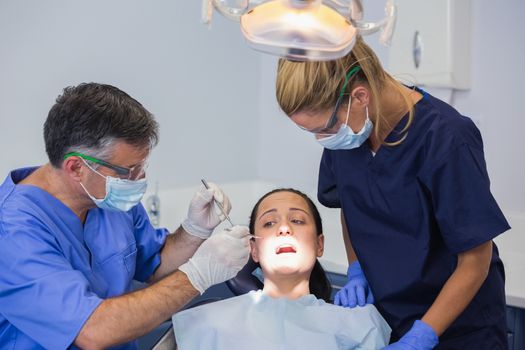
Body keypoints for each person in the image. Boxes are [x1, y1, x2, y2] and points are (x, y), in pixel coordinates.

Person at [275, 36, 510, 349]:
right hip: (387, 319)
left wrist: (423, 335)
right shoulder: (349, 132)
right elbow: (351, 202)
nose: (321, 140)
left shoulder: (446, 138)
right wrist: (357, 269)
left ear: (359, 97)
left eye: (323, 129)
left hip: (459, 331)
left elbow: (476, 259)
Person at [0, 83, 251, 349]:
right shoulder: (13, 232)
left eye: (141, 167)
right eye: (128, 171)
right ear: (76, 168)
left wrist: (193, 231)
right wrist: (197, 276)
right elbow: (92, 330)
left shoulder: (106, 199)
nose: (138, 179)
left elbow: (154, 266)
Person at [173, 188, 391, 349]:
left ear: (319, 244)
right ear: (254, 250)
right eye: (269, 223)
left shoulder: (360, 325)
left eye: (297, 220)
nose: (284, 228)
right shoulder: (207, 323)